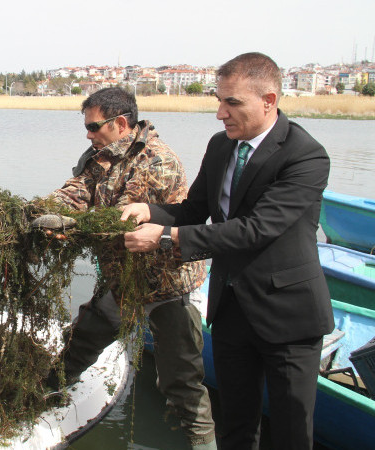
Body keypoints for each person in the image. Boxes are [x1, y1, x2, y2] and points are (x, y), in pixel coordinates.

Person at [122, 52, 333, 449]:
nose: (221, 113)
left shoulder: (305, 155)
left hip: (288, 316)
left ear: (269, 100)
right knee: (235, 426)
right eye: (219, 100)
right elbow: (194, 210)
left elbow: (257, 230)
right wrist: (148, 210)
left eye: (232, 102)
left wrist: (167, 238)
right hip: (231, 307)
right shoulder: (221, 145)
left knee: (291, 433)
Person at [41, 87, 216, 449]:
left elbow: (122, 222)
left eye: (93, 127)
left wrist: (71, 228)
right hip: (123, 279)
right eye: (86, 128)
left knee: (181, 381)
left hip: (166, 285)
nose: (88, 134)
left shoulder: (157, 162)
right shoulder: (101, 155)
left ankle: (203, 443)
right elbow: (80, 188)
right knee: (83, 339)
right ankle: (45, 393)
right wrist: (52, 208)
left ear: (120, 123)